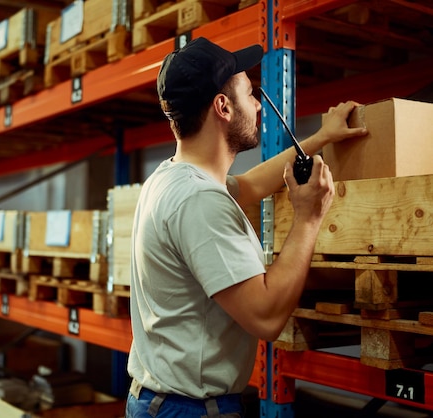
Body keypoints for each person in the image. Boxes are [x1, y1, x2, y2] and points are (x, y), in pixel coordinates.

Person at [125, 37, 368, 418]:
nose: (257, 105)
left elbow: (252, 183)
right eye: (249, 93)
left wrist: (321, 138)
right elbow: (266, 317)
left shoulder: (172, 178)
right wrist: (309, 217)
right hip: (189, 409)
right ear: (222, 107)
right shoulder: (199, 201)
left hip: (163, 401)